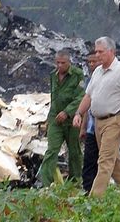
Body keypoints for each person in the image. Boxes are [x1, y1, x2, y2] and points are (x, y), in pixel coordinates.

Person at [73, 36, 120, 203]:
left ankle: (94, 201)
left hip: (115, 120)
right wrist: (79, 113)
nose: (97, 55)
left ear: (112, 51)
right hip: (98, 122)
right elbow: (88, 96)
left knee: (104, 161)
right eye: (96, 51)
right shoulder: (97, 72)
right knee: (114, 162)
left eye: (101, 51)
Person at [39, 50, 84, 186]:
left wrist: (67, 112)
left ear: (69, 62)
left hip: (71, 120)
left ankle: (75, 181)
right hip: (55, 119)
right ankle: (45, 183)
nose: (59, 66)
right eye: (57, 62)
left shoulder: (77, 74)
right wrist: (49, 119)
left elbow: (81, 97)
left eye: (62, 63)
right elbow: (54, 98)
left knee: (74, 151)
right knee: (51, 150)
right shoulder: (53, 75)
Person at [80, 51, 102, 192]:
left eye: (94, 61)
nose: (92, 64)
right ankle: (88, 191)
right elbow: (87, 106)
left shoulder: (110, 77)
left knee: (114, 162)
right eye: (90, 62)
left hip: (107, 127)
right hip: (91, 128)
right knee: (89, 161)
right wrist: (83, 128)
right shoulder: (89, 80)